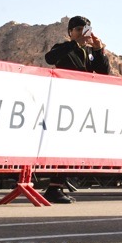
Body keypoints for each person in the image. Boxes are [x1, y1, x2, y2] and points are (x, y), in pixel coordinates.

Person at [42, 15, 111, 203]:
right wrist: (75, 44)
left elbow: (103, 72)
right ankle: (54, 187)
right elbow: (50, 58)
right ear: (70, 32)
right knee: (61, 145)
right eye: (78, 29)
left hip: (81, 102)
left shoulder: (89, 52)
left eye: (85, 29)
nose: (82, 33)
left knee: (71, 147)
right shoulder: (63, 47)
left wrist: (98, 51)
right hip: (64, 101)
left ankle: (58, 186)